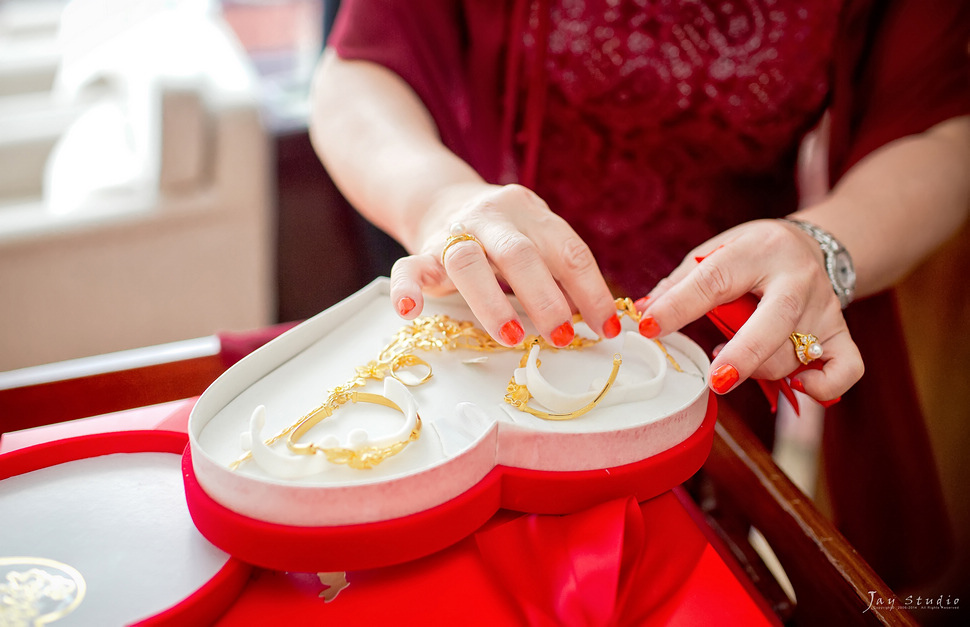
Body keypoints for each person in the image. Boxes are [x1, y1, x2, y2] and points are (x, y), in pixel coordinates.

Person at [309, 0, 969, 589]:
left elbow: (943, 124)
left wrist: (824, 245)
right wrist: (439, 199)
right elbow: (359, 68)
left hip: (707, 369)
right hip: (485, 335)